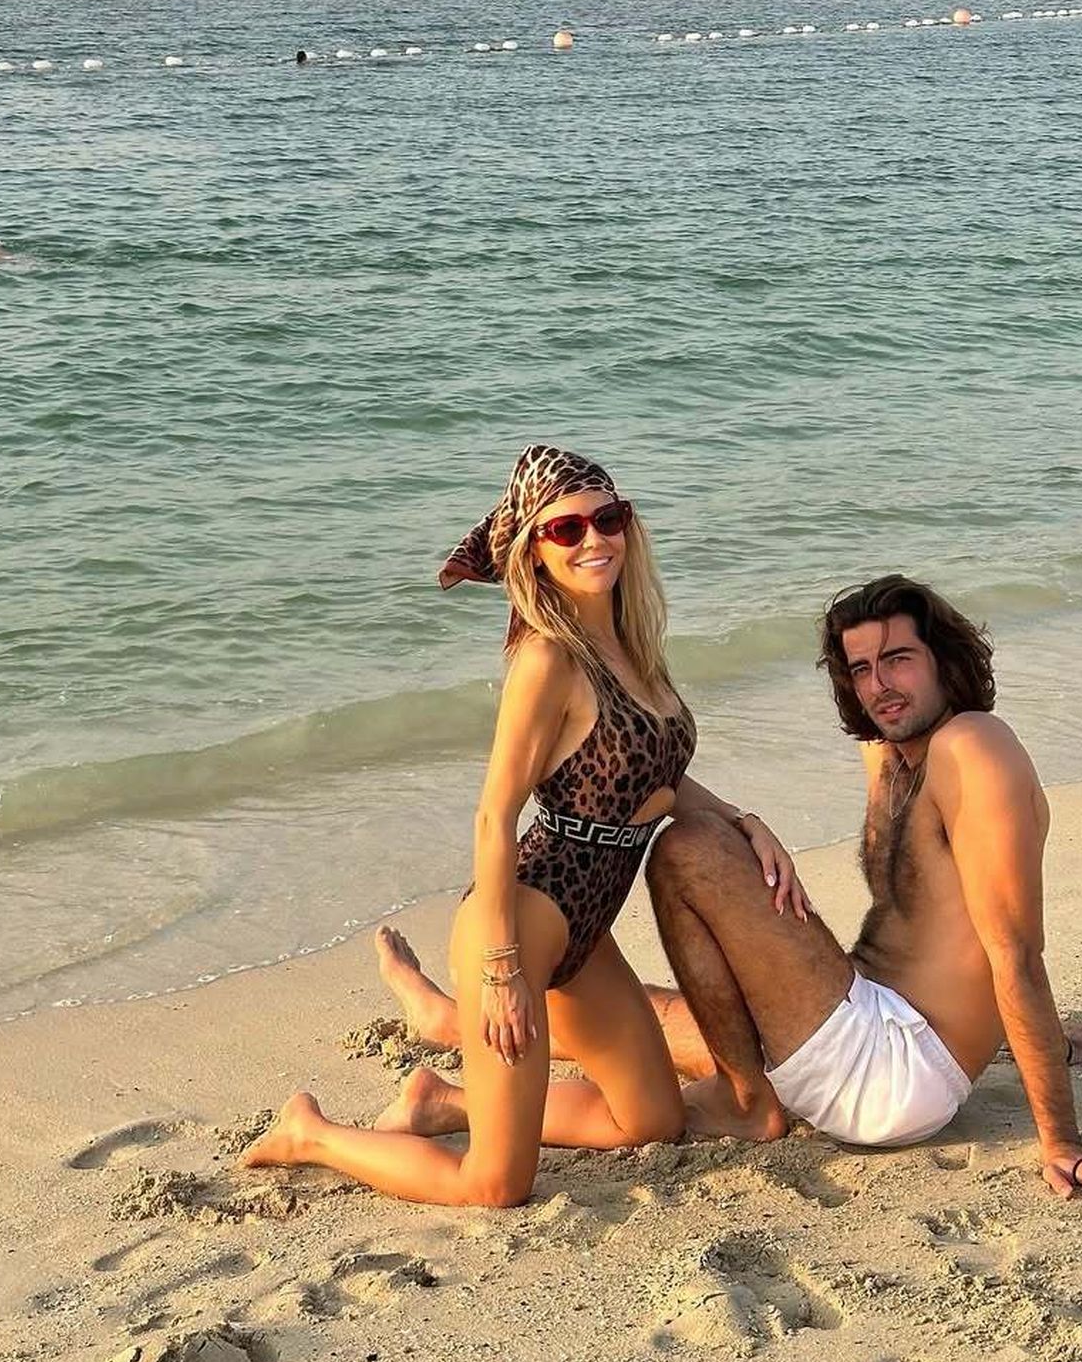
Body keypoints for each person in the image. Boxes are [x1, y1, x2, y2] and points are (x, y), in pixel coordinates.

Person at [375, 575, 1082, 1206]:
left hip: (898, 1073)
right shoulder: (889, 753)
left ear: (945, 659)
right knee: (659, 1017)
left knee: (689, 850)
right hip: (859, 1013)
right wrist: (1057, 1039)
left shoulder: (977, 747)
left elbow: (1012, 949)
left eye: (899, 660)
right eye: (861, 669)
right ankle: (449, 1035)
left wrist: (1063, 1142)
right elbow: (948, 933)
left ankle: (746, 1102)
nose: (880, 686)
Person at [245, 445, 805, 1206]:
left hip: (585, 933)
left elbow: (660, 781)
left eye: (608, 518)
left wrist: (744, 821)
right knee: (495, 1184)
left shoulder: (630, 645)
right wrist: (503, 970)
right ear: (534, 552)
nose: (594, 539)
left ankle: (439, 1101)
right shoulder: (548, 660)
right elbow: (494, 813)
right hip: (516, 925)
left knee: (652, 1121)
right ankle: (310, 1133)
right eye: (566, 529)